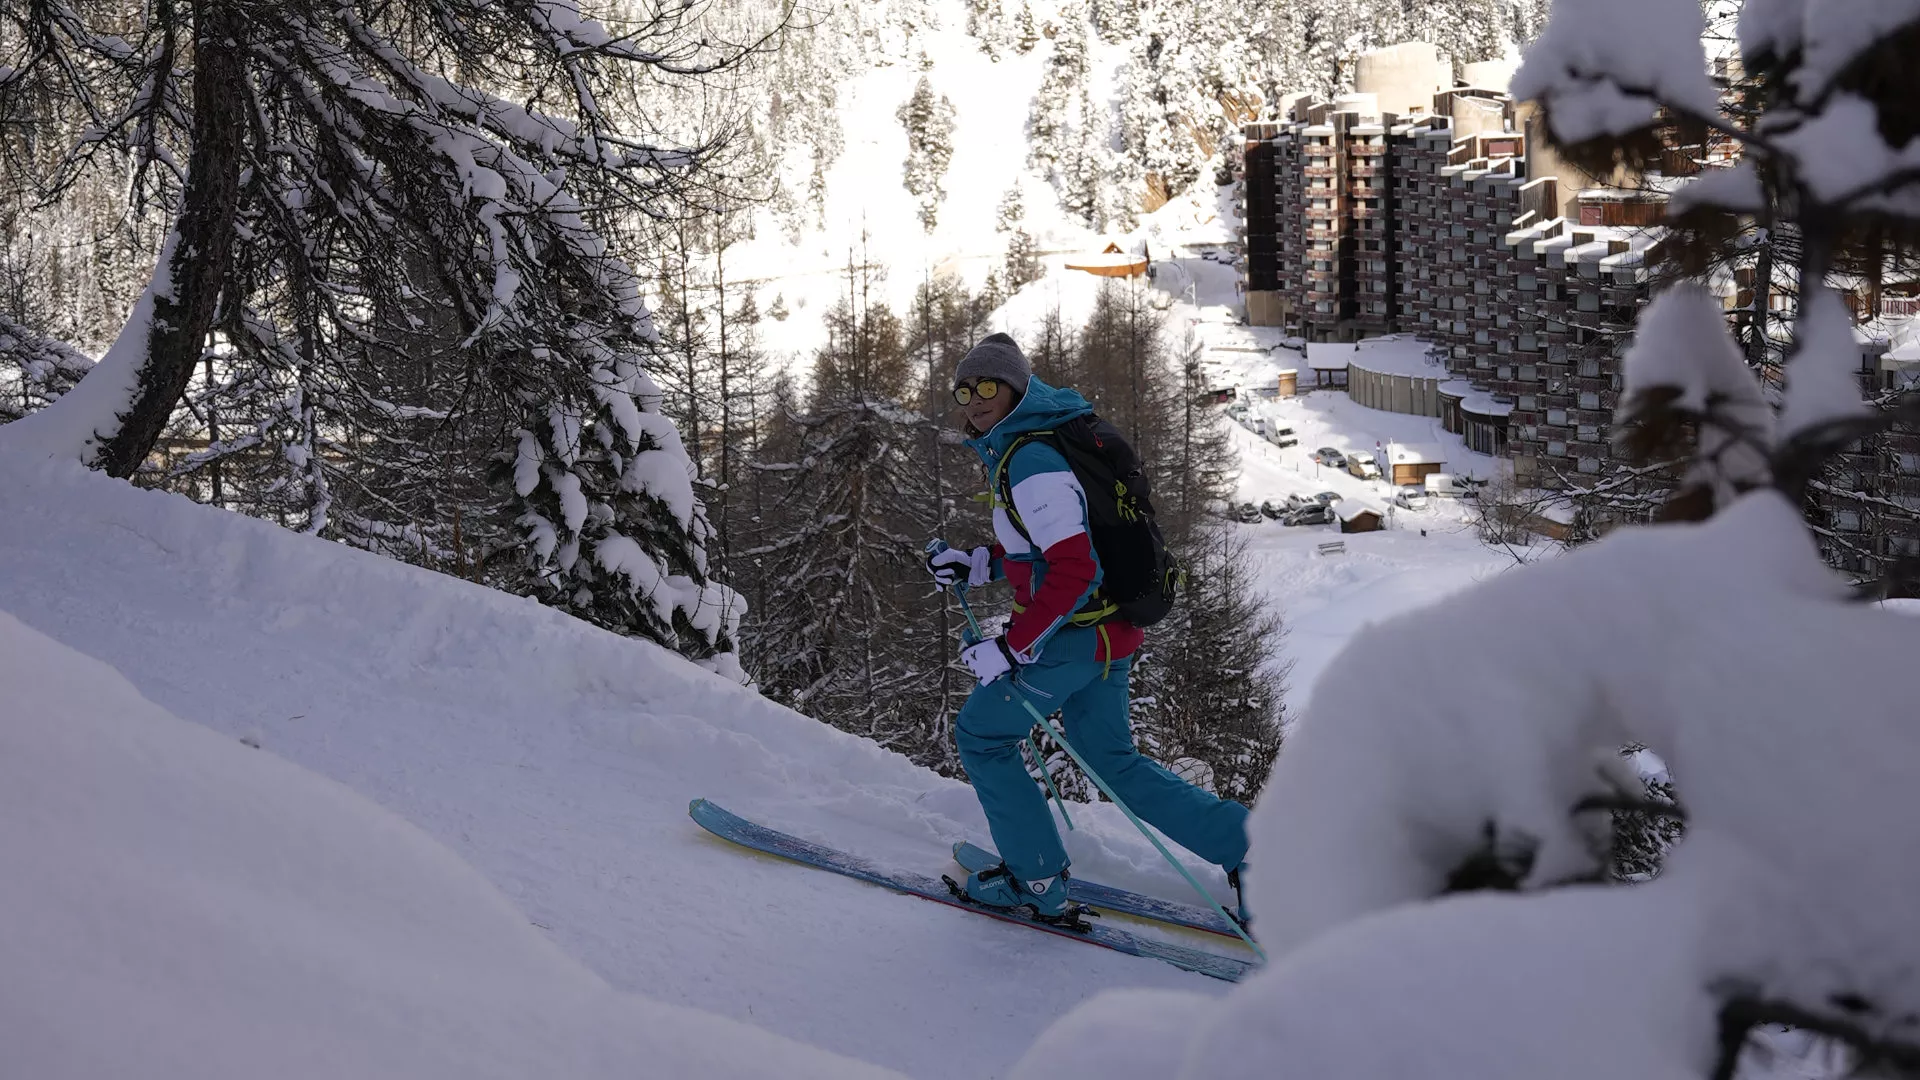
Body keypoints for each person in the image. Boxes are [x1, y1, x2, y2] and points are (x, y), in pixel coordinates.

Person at [925, 332, 1251, 922]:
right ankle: (1253, 849)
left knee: (983, 737)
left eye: (988, 386)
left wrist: (1011, 647)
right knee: (1115, 763)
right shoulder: (1042, 441)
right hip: (1109, 635)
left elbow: (1076, 567)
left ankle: (1035, 878)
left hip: (1069, 644)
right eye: (964, 390)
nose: (974, 400)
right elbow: (1056, 546)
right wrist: (980, 563)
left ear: (1017, 388)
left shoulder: (1029, 458)